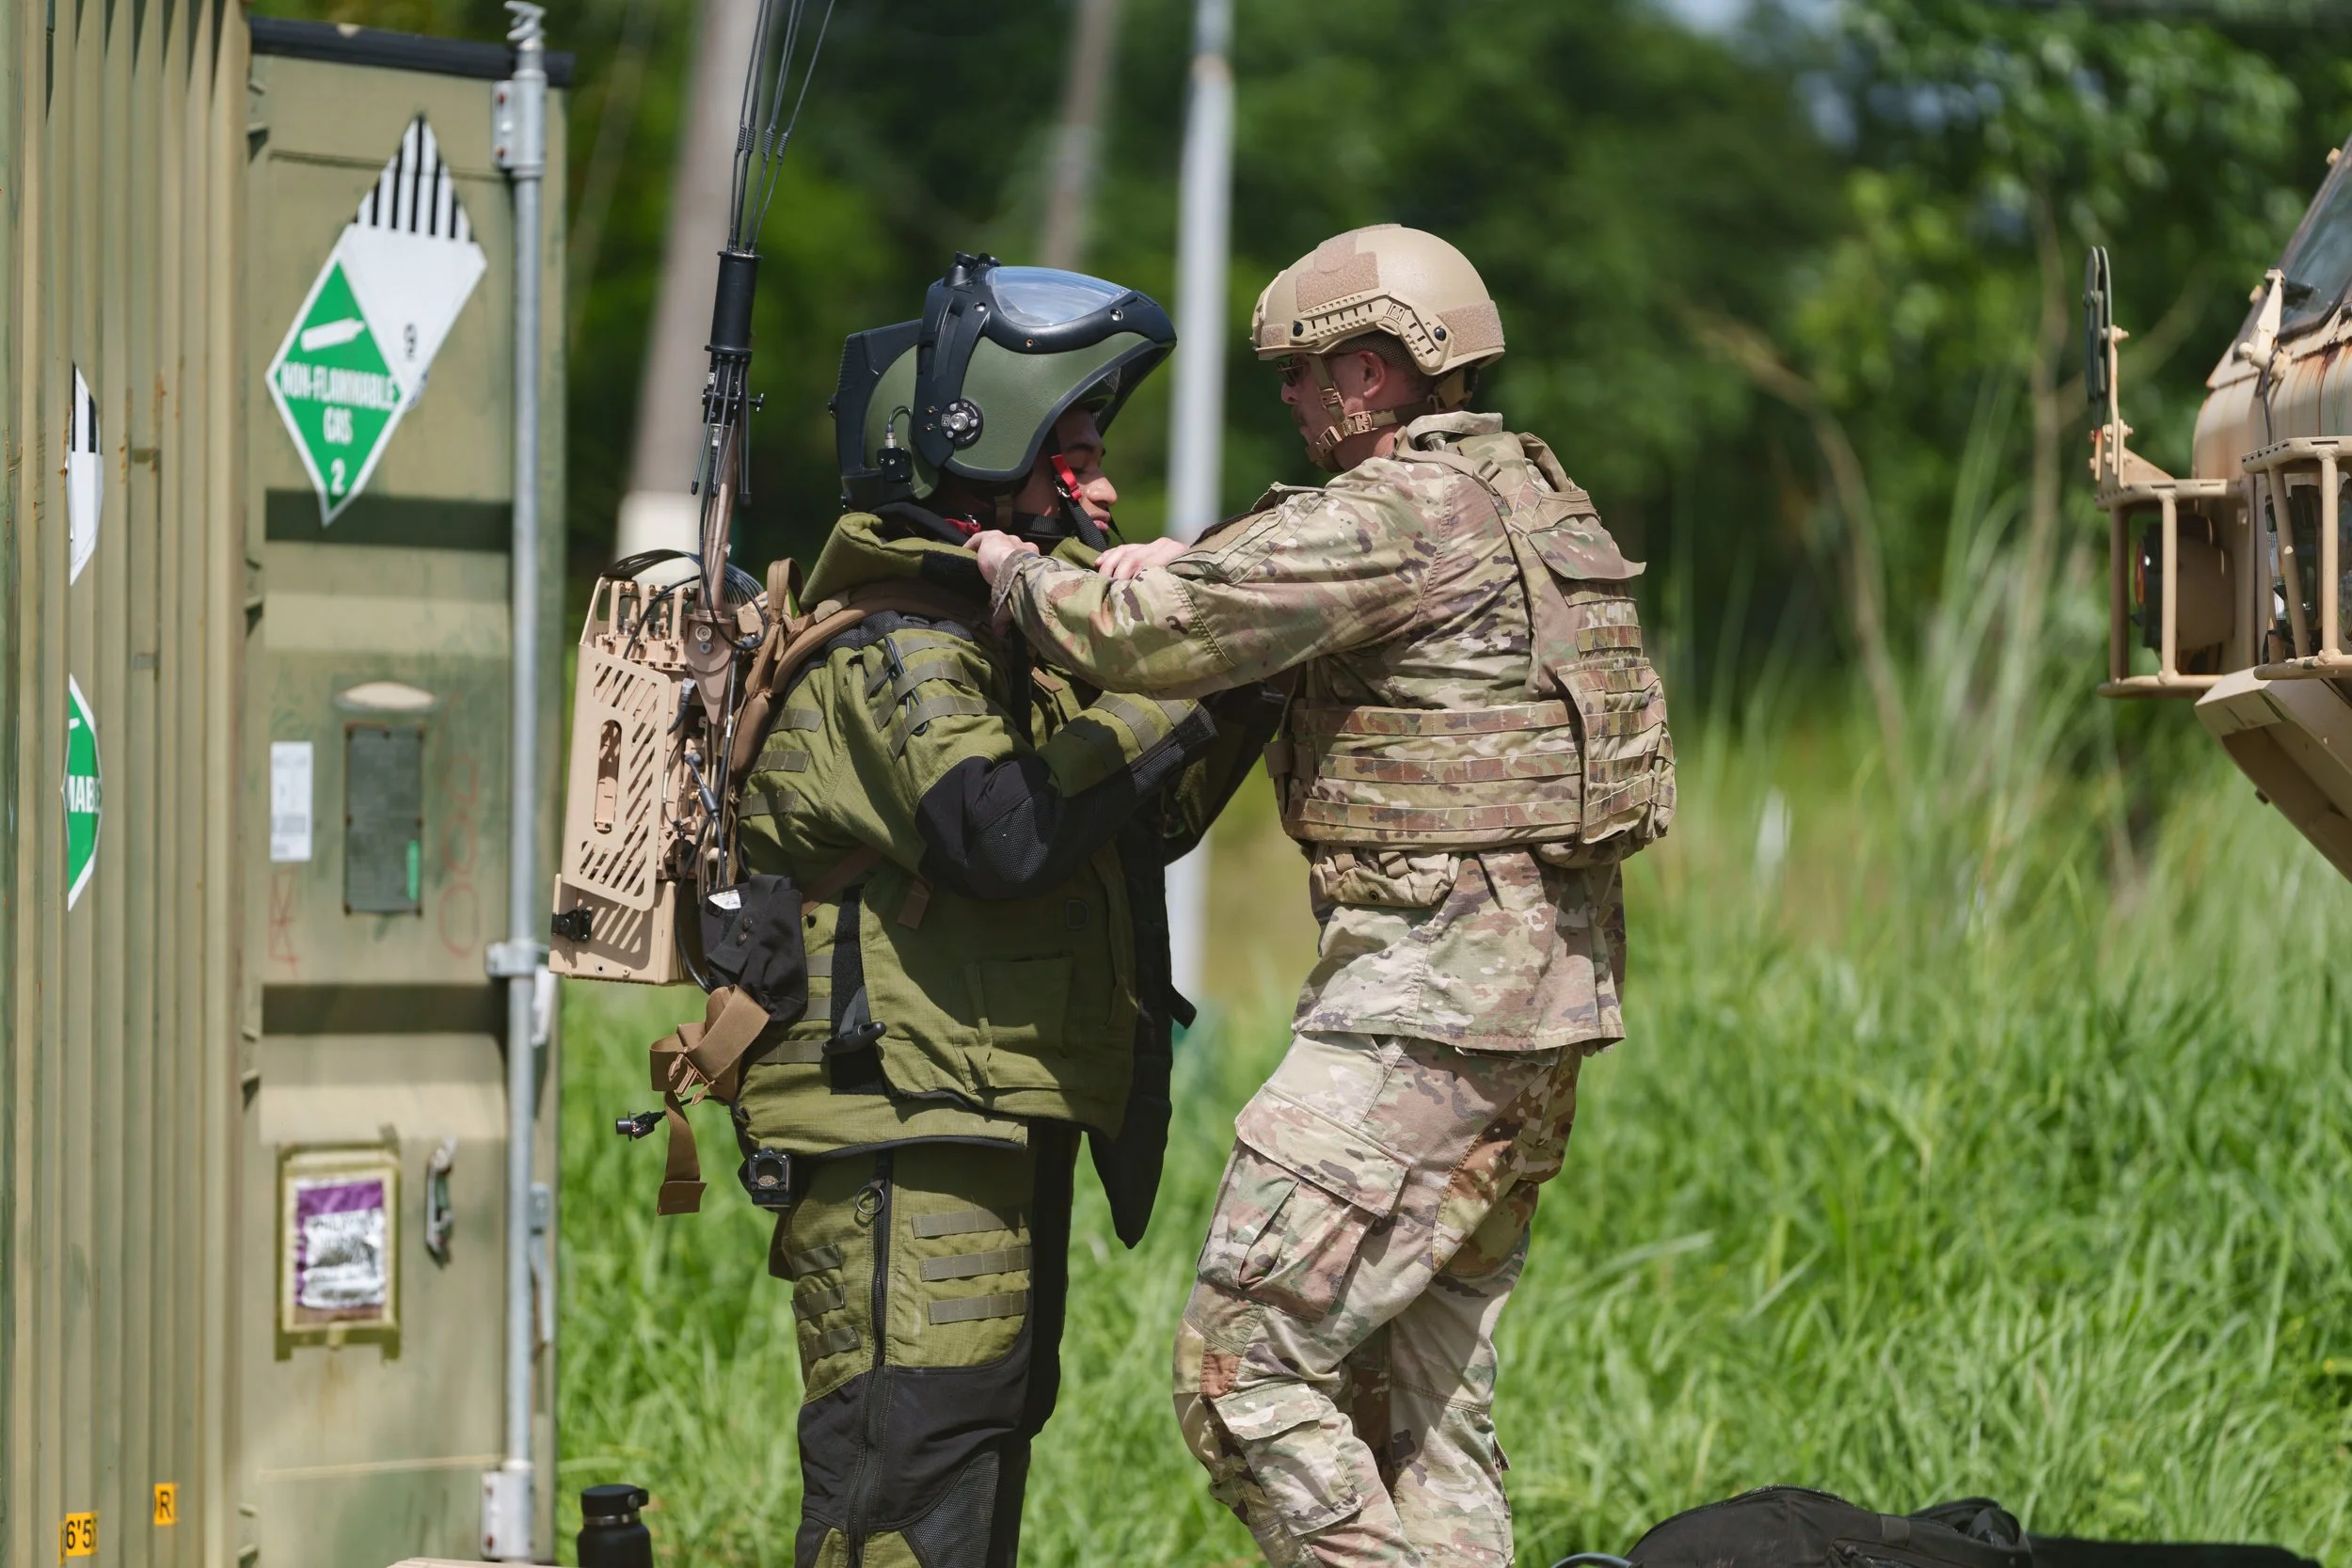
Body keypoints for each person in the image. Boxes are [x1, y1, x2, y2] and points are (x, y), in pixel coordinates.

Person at [969, 224, 1676, 1568]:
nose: (1289, 400)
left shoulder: (1393, 509)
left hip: (1423, 1009)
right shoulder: (1526, 492)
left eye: (1301, 372)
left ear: (1372, 369)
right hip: (1534, 1017)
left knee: (1240, 1376)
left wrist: (1013, 575)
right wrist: (1198, 560)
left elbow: (1149, 638)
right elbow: (1288, 589)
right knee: (1425, 1402)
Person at [728, 253, 1279, 1568]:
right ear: (973, 457)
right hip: (900, 1121)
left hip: (980, 1105)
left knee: (977, 1445)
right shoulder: (893, 643)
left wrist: (1250, 660)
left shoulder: (997, 646)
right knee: (904, 1477)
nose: (1098, 485)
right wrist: (1184, 679)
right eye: (1070, 449)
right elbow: (1005, 831)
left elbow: (1132, 820)